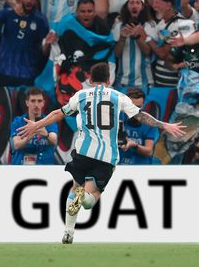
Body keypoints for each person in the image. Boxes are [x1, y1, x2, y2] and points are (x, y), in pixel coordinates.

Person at [17, 61, 186, 244]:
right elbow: (140, 116)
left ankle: (68, 231)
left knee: (75, 188)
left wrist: (36, 125)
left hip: (82, 151)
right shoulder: (118, 97)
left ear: (89, 78)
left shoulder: (81, 95)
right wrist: (164, 124)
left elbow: (58, 113)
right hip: (106, 155)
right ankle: (86, 198)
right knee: (91, 199)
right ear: (109, 79)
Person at [11, 86, 58, 165]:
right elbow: (16, 145)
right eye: (33, 101)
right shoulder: (18, 122)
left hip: (46, 168)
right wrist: (27, 138)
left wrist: (46, 134)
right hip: (21, 168)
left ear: (43, 103)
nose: (36, 105)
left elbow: (54, 140)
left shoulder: (50, 121)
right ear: (27, 102)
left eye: (39, 101)